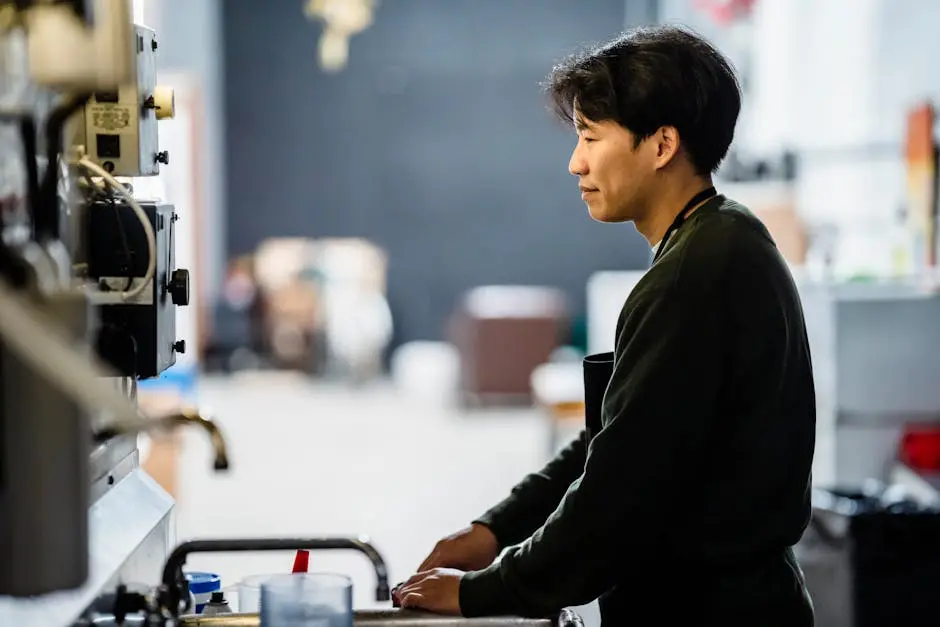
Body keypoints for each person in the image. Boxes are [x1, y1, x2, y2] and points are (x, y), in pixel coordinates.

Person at [393, 25, 816, 626]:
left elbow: (616, 500)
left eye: (590, 136)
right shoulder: (722, 237)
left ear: (662, 144)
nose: (576, 162)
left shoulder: (692, 276)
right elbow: (616, 437)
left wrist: (482, 591)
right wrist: (496, 530)